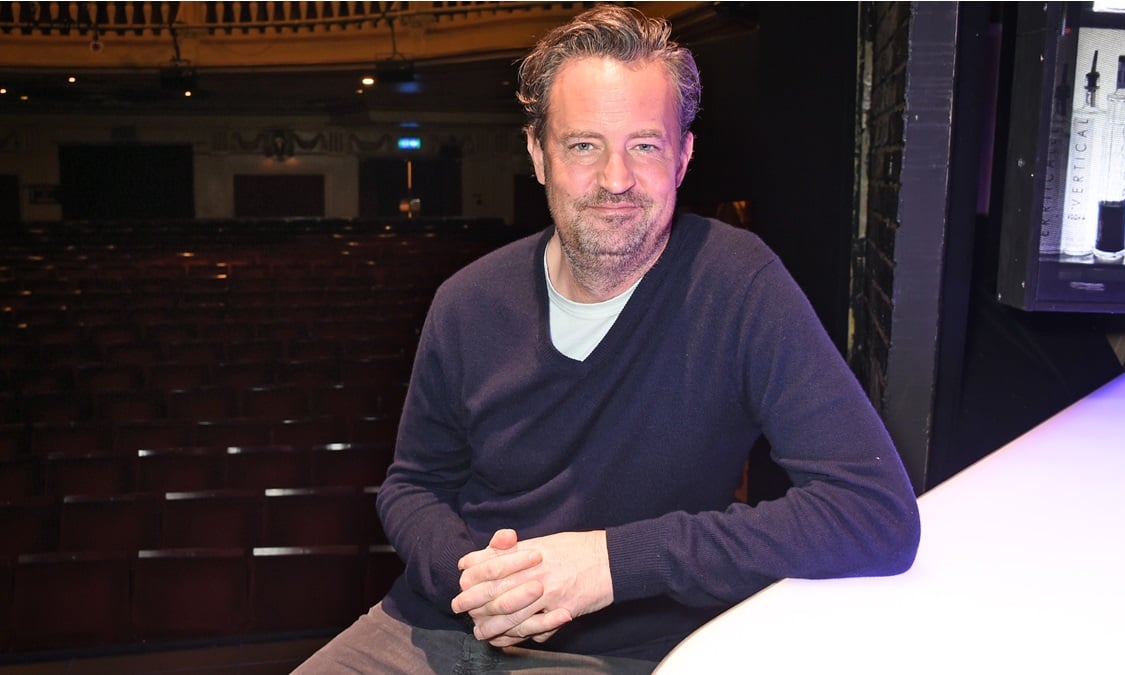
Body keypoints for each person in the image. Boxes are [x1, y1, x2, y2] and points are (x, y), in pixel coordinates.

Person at [295, 5, 919, 673]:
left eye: (644, 144)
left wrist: (611, 563)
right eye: (584, 144)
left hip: (618, 653)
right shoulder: (465, 301)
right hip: (436, 624)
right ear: (538, 154)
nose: (615, 178)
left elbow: (873, 513)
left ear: (682, 156)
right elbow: (412, 485)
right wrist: (470, 579)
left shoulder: (740, 285)